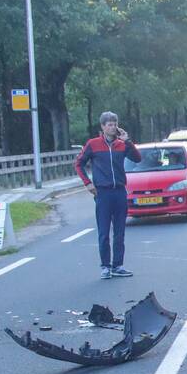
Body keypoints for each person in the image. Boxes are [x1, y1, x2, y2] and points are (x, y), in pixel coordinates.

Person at [74, 112, 142, 279]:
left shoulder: (122, 145)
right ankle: (105, 266)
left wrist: (128, 141)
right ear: (103, 127)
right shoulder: (93, 144)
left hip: (119, 191)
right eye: (109, 124)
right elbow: (79, 164)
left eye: (115, 124)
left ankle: (118, 265)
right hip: (103, 193)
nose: (113, 127)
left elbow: (137, 158)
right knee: (104, 232)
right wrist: (87, 183)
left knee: (119, 232)